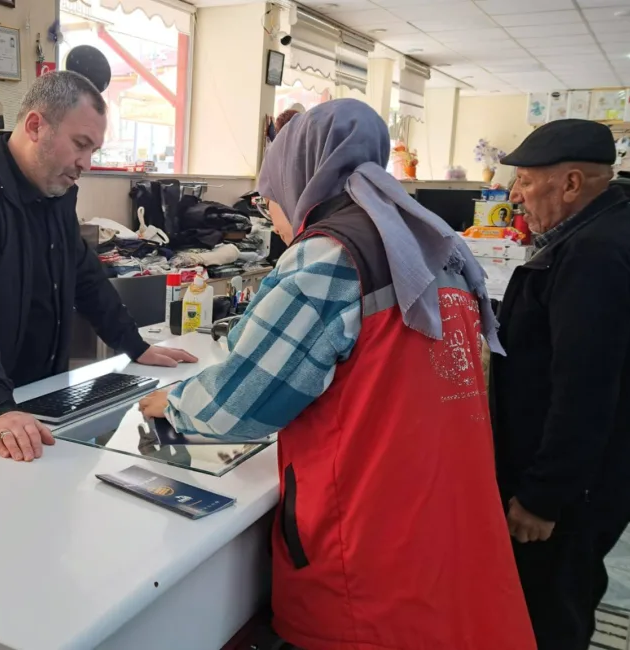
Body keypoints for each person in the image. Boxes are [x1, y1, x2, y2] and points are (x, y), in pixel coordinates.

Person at [140, 100, 535, 649]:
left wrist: (172, 404)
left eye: (268, 198)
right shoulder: (429, 242)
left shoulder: (328, 254)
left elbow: (239, 403)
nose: (272, 216)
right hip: (449, 527)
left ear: (298, 181)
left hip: (370, 553)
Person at [0, 71, 195, 462]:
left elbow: (84, 275)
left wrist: (133, 344)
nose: (85, 163)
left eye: (93, 150)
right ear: (36, 126)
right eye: (80, 144)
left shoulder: (58, 190)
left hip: (31, 395)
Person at [492, 119, 630, 650]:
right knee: (570, 591)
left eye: (525, 180)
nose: (516, 195)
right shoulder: (623, 232)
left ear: (571, 184)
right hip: (608, 475)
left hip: (579, 490)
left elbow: (584, 391)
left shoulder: (596, 255)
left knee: (548, 612)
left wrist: (544, 496)